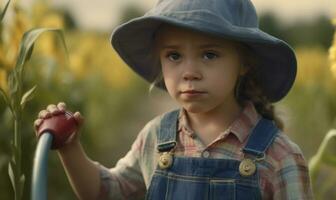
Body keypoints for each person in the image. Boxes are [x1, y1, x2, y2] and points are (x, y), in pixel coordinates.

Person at [34, 0, 314, 199]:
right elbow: (106, 191)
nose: (189, 72)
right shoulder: (156, 137)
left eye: (209, 54)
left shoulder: (280, 157)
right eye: (174, 56)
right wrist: (70, 150)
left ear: (244, 63)